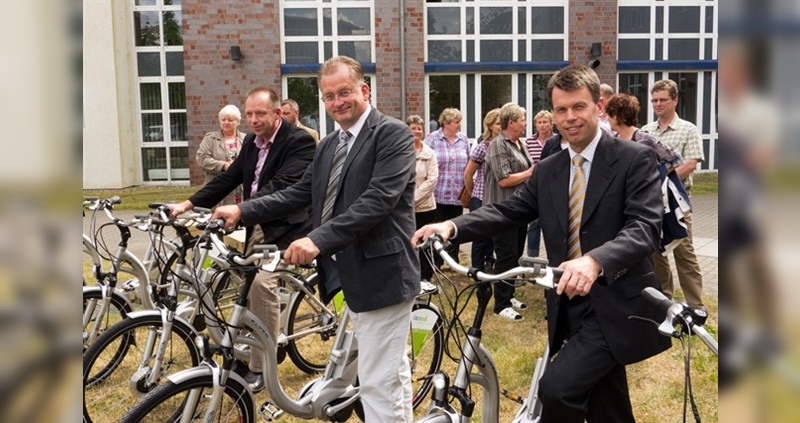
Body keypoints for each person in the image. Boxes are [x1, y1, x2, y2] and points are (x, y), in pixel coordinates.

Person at [413, 64, 671, 421]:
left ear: (599, 105)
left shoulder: (634, 158)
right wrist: (452, 227)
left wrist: (594, 261)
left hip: (616, 300)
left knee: (557, 389)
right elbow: (510, 211)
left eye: (578, 107)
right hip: (568, 300)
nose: (569, 118)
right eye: (561, 110)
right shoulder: (550, 167)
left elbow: (644, 227)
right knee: (606, 401)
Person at [212, 56, 419, 422]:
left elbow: (378, 200)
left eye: (344, 92)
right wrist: (244, 210)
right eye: (329, 96)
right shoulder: (328, 145)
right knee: (388, 369)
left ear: (364, 90)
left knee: (374, 381)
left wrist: (317, 239)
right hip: (348, 273)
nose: (337, 102)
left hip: (383, 274)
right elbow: (300, 192)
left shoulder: (392, 133)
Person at [168, 87, 316, 392]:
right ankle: (242, 351)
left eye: (260, 113)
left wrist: (241, 209)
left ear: (277, 113)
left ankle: (264, 366)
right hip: (256, 223)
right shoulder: (251, 141)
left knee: (261, 286)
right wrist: (188, 204)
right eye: (249, 114)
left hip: (286, 230)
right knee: (242, 288)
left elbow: (282, 188)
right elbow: (228, 177)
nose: (253, 120)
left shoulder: (299, 141)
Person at [640, 79, 706, 310]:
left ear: (675, 100)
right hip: (652, 205)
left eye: (663, 100)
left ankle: (696, 307)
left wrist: (659, 181)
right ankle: (664, 301)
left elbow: (690, 163)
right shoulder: (646, 131)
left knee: (684, 255)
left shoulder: (688, 129)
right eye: (654, 100)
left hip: (677, 204)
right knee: (657, 255)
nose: (657, 104)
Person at [605, 93, 689, 253]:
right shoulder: (615, 139)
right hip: (626, 205)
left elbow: (675, 159)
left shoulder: (643, 139)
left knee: (662, 256)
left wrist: (652, 178)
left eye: (609, 115)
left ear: (617, 115)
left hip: (650, 205)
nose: (608, 119)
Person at [482, 102, 532, 321]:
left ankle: (509, 294)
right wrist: (531, 172)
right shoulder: (497, 144)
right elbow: (503, 180)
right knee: (505, 256)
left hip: (520, 209)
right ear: (510, 122)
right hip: (502, 211)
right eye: (522, 119)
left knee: (516, 256)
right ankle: (500, 304)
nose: (525, 123)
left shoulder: (520, 144)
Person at [424, 107, 470, 265]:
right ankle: (435, 261)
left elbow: (470, 163)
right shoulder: (432, 139)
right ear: (446, 123)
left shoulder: (463, 139)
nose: (459, 125)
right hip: (438, 193)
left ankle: (453, 260)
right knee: (436, 229)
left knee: (454, 229)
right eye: (457, 122)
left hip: (456, 195)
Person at [463, 108, 501, 273]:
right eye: (498, 123)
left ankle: (490, 263)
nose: (501, 126)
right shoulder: (483, 147)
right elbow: (468, 174)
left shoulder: (506, 145)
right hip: (481, 198)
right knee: (479, 238)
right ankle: (476, 269)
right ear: (490, 126)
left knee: (495, 236)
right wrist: (474, 195)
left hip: (498, 198)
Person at [407, 114, 439, 282]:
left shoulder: (430, 153)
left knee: (425, 243)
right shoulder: (401, 151)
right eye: (413, 128)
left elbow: (432, 179)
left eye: (419, 128)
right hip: (405, 207)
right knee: (409, 242)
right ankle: (410, 276)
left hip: (425, 206)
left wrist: (414, 199)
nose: (417, 131)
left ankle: (425, 277)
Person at [196, 105, 247, 205]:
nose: (226, 122)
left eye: (230, 120)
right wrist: (223, 165)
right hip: (216, 188)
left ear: (238, 122)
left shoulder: (246, 139)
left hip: (240, 190)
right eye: (223, 119)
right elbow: (202, 159)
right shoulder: (210, 138)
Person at [523, 110, 555, 257]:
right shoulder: (528, 142)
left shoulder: (557, 141)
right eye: (539, 122)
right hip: (535, 187)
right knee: (533, 225)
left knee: (552, 226)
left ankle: (553, 258)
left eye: (545, 122)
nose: (542, 126)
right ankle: (532, 259)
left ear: (551, 123)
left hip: (553, 188)